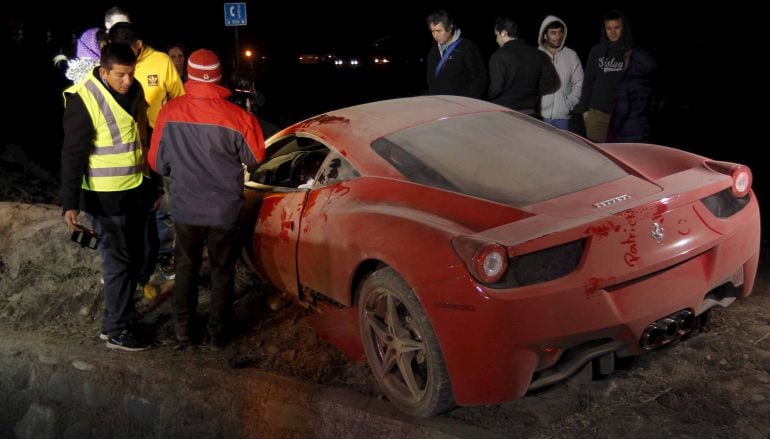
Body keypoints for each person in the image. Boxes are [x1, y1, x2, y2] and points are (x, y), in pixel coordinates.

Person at [149, 49, 265, 348]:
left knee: (186, 266)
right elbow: (255, 158)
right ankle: (218, 333)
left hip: (186, 208)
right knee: (221, 269)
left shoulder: (169, 112)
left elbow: (157, 164)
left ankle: (183, 330)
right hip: (224, 210)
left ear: (187, 74)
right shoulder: (239, 117)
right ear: (218, 76)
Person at [60, 42, 161, 352]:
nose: (127, 81)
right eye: (120, 75)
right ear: (103, 71)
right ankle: (116, 329)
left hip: (135, 191)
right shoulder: (83, 98)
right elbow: (73, 154)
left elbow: (142, 137)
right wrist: (70, 202)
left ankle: (122, 319)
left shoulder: (135, 90)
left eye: (130, 74)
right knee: (118, 264)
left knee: (140, 257)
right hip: (105, 199)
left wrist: (152, 184)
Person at [110, 21, 185, 281]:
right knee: (135, 203)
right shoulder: (112, 65)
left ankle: (165, 254)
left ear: (138, 45)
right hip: (125, 146)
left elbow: (179, 99)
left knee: (163, 200)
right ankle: (135, 258)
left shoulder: (162, 62)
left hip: (160, 141)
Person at [579, 10, 633, 142]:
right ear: (604, 29)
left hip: (623, 117)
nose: (613, 32)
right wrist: (585, 111)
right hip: (597, 115)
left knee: (619, 158)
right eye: (609, 28)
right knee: (597, 157)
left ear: (623, 28)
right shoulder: (596, 51)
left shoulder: (630, 52)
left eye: (617, 28)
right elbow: (588, 82)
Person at [488, 16, 557, 116]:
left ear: (503, 33)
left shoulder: (498, 55)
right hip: (529, 114)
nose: (496, 40)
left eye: (497, 35)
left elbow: (496, 88)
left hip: (505, 114)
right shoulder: (538, 54)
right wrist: (533, 92)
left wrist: (489, 97)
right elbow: (550, 82)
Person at [425, 10, 486, 99]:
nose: (435, 35)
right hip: (438, 102)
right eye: (432, 31)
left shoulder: (467, 47)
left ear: (449, 28)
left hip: (459, 104)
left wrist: (467, 101)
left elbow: (479, 78)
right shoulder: (433, 50)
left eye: (438, 31)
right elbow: (430, 79)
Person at [537, 16, 583, 129]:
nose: (558, 36)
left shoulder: (571, 55)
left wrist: (568, 104)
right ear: (544, 35)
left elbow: (580, 83)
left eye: (560, 32)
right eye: (553, 33)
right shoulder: (535, 55)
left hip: (563, 119)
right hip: (539, 118)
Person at [610, 47, 657, 142]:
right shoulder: (646, 84)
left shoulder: (625, 84)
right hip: (644, 130)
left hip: (626, 133)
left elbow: (622, 110)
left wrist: (614, 127)